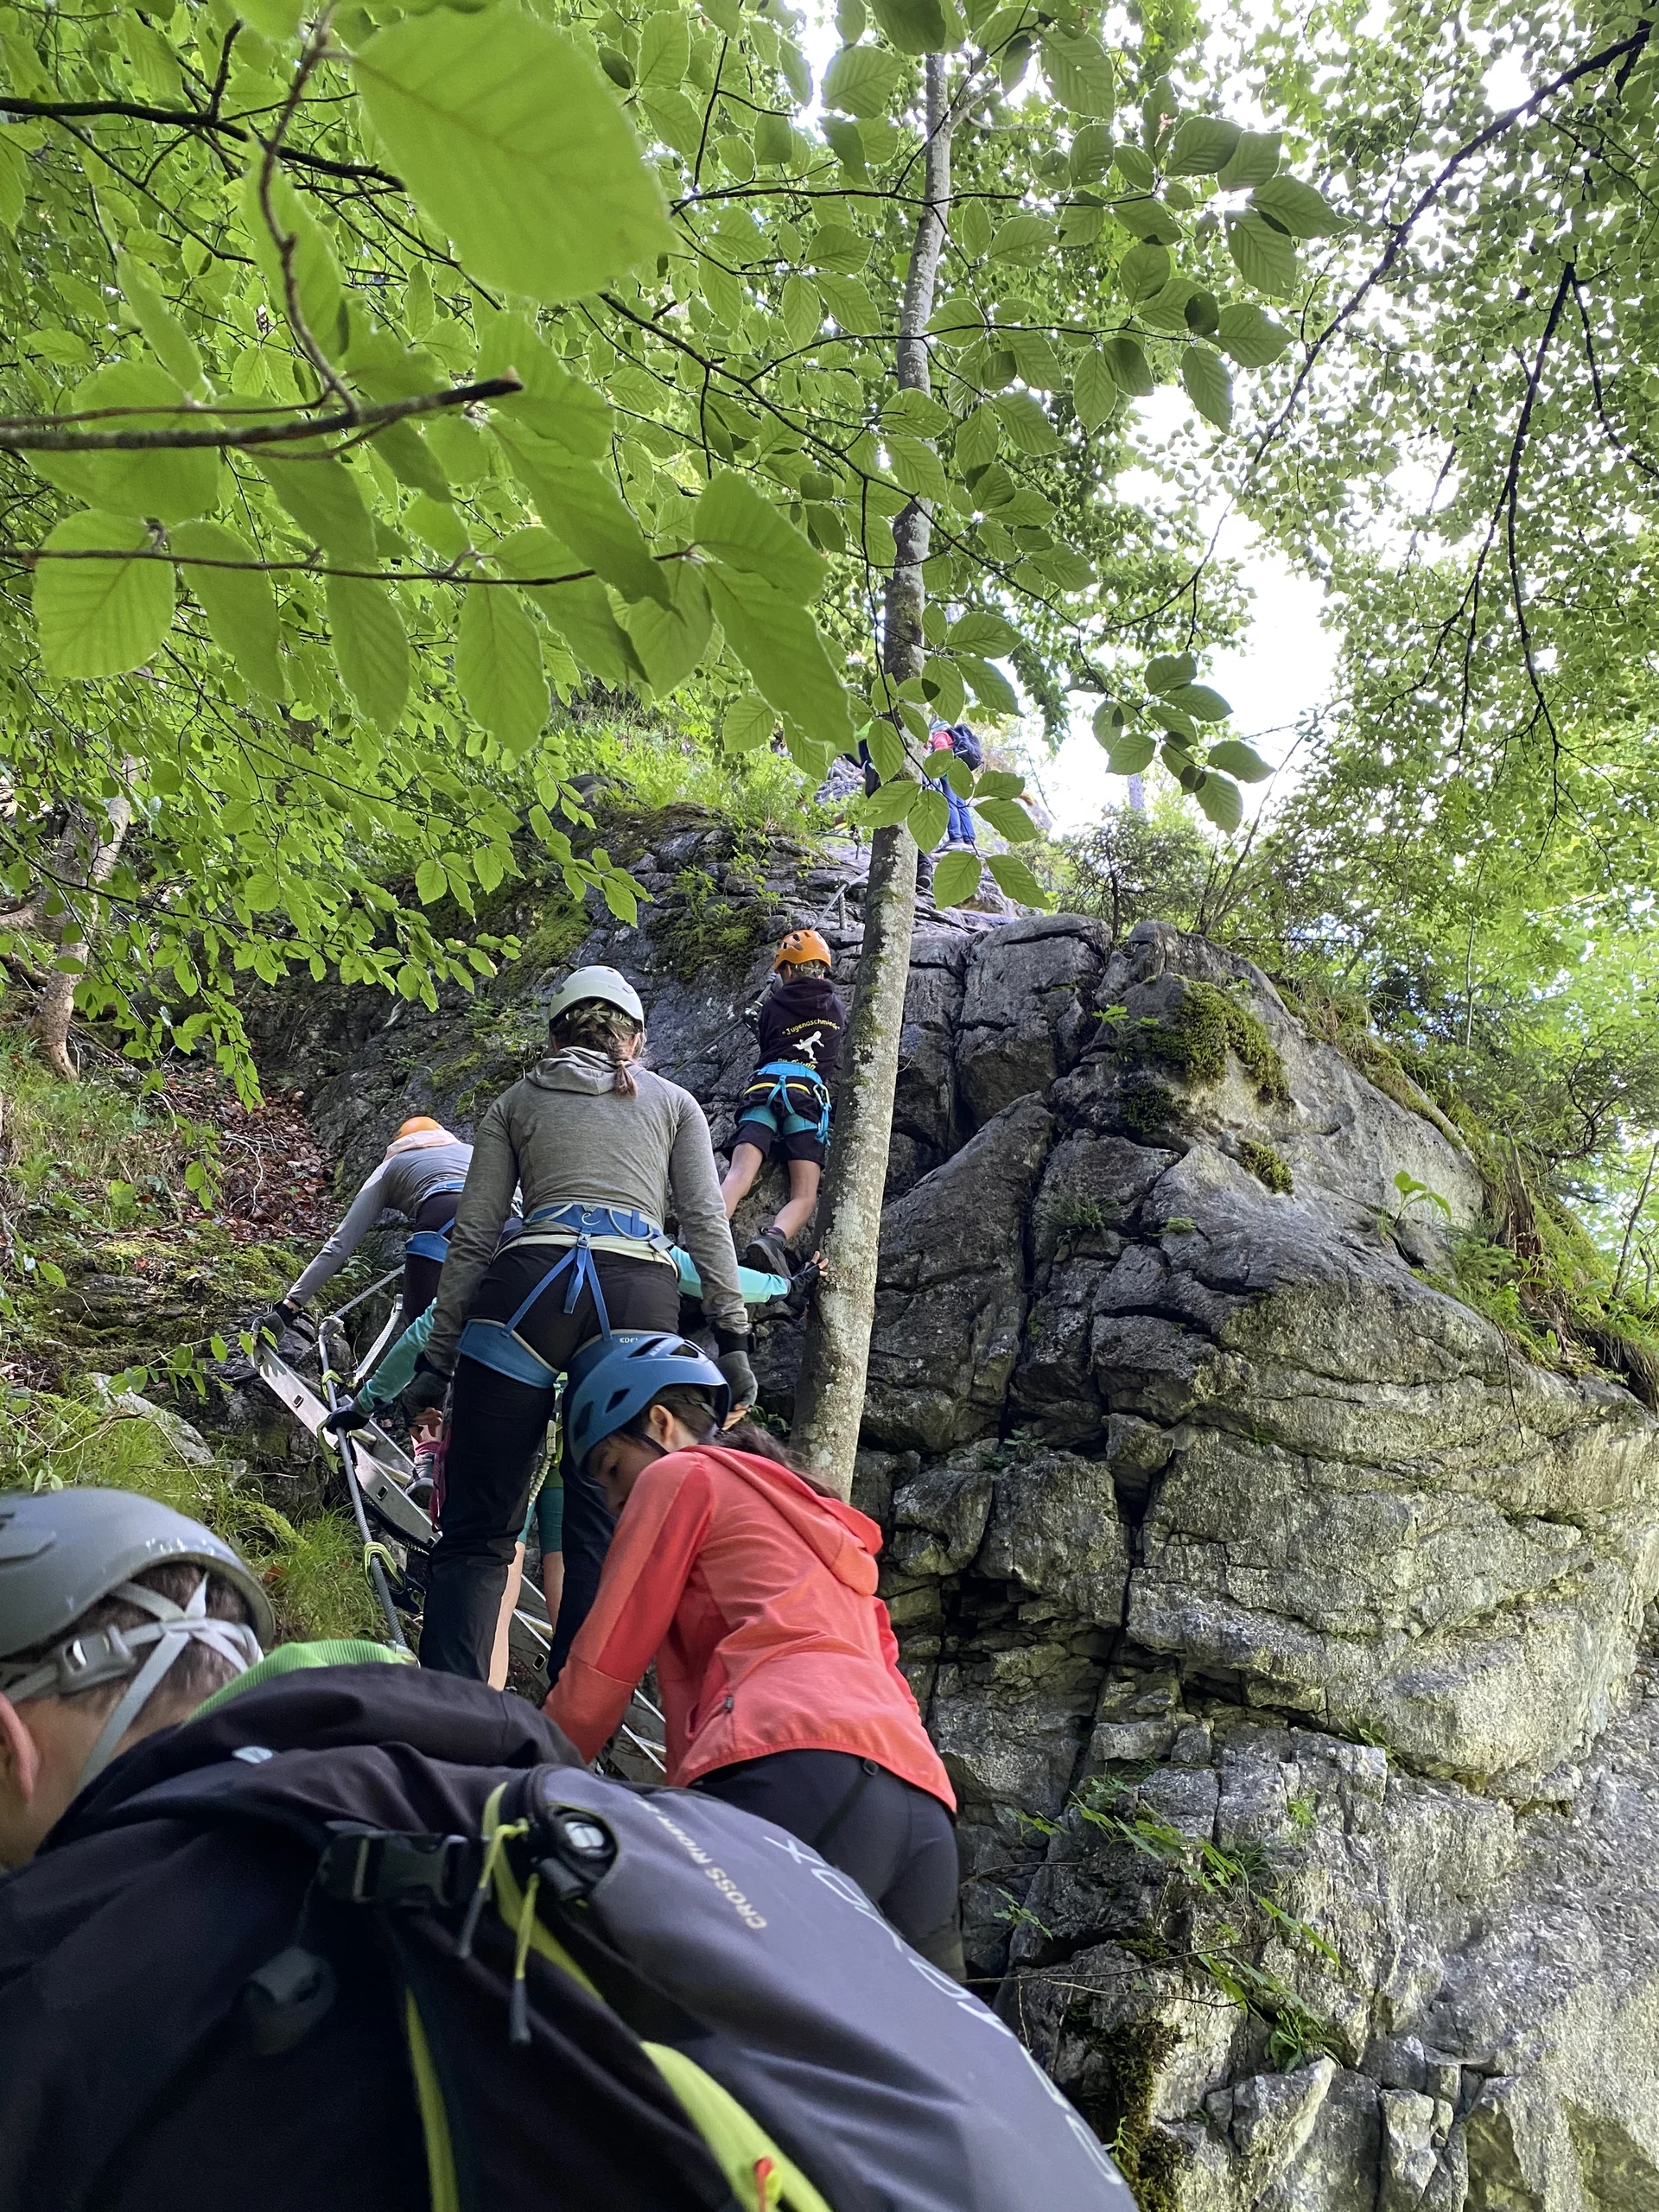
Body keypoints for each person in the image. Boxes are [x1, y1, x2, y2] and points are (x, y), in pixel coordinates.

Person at [545, 1331, 964, 1978]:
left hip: (793, 1765)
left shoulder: (681, 1476)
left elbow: (604, 1664)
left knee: (700, 2024)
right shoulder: (822, 1525)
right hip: (922, 1807)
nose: (611, 1501)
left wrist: (526, 1765)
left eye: (611, 1469)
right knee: (920, 2068)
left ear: (659, 1421)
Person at [404, 966, 754, 1684]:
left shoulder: (515, 1102)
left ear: (555, 1035)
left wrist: (436, 1363)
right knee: (603, 1529)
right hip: (635, 1298)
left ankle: (444, 1723)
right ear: (638, 1040)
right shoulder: (675, 1104)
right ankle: (568, 1738)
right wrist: (735, 1336)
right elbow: (705, 1223)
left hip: (524, 1287)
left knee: (477, 1533)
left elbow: (473, 1240)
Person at [256, 1114, 472, 1343]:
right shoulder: (472, 1151)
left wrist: (291, 1306)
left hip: (443, 1215)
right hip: (509, 1223)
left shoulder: (391, 1166)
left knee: (421, 1331)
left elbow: (341, 1243)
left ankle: (427, 1376)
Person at [719, 928, 847, 1281]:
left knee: (740, 1173)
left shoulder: (773, 1005)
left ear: (789, 969)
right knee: (804, 1194)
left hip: (765, 1087)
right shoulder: (836, 1008)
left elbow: (767, 1042)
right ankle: (774, 1238)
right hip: (806, 1098)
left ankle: (708, 1231)